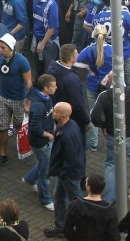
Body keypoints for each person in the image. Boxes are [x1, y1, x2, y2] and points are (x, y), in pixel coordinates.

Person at [90, 74, 130, 203]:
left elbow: (94, 116)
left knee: (111, 165)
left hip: (112, 136)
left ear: (110, 81)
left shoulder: (104, 95)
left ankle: (109, 199)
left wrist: (104, 126)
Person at [44, 101, 85, 238]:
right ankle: (60, 227)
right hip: (65, 173)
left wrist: (62, 172)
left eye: (55, 111)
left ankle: (83, 228)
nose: (52, 113)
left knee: (76, 202)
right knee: (59, 198)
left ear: (62, 116)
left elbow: (71, 159)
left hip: (69, 174)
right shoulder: (68, 125)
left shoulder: (68, 134)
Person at [0, 33, 32, 170]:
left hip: (19, 99)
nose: (0, 50)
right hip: (3, 97)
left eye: (3, 48)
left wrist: (28, 103)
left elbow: (28, 83)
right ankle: (2, 155)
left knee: (20, 126)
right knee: (2, 127)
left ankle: (27, 147)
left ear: (11, 48)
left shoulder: (22, 61)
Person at [23, 73, 57, 210]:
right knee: (45, 172)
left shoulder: (46, 97)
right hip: (41, 143)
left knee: (44, 163)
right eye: (53, 86)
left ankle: (30, 178)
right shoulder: (38, 105)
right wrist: (49, 135)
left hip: (45, 140)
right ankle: (45, 199)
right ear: (45, 88)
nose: (56, 88)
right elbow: (35, 128)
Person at [63, 172, 119, 239]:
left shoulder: (75, 205)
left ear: (88, 188)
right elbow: (114, 236)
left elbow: (67, 229)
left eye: (86, 183)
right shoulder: (109, 210)